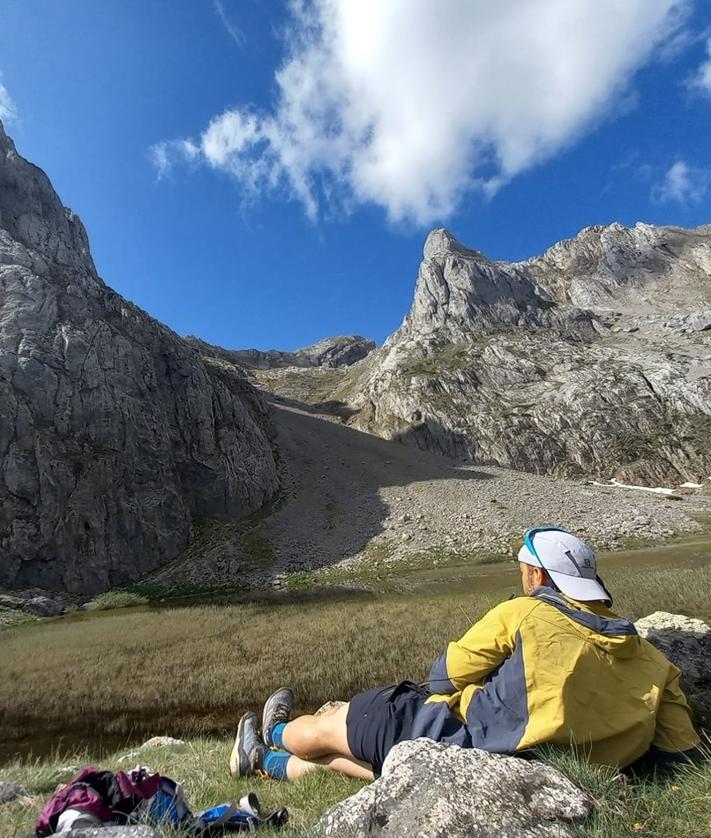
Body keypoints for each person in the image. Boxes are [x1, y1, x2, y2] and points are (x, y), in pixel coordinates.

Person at [229, 527, 701, 782]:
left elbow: (444, 677)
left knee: (346, 721)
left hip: (478, 741)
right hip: (558, 773)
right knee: (382, 765)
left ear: (537, 578)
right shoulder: (656, 663)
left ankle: (275, 732)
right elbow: (681, 753)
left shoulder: (524, 614)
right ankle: (263, 763)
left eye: (523, 571)